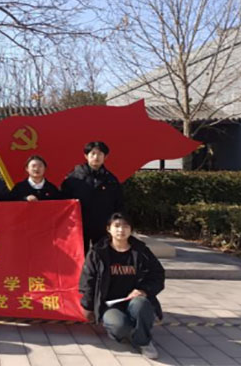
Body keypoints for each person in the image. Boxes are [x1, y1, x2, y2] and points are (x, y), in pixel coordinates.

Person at [79, 212, 164, 360]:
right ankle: (131, 330)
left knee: (142, 304)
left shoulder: (141, 251)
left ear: (131, 229)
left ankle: (144, 342)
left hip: (134, 300)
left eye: (125, 226)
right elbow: (88, 280)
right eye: (117, 226)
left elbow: (158, 274)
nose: (121, 230)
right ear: (108, 229)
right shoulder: (98, 252)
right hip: (110, 304)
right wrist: (87, 306)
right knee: (119, 327)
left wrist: (143, 290)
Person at [61, 141, 124, 253]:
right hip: (79, 224)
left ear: (105, 157)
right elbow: (64, 201)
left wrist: (117, 221)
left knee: (102, 254)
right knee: (79, 254)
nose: (96, 157)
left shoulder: (111, 180)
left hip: (102, 224)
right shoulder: (74, 178)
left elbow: (118, 203)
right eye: (93, 153)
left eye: (100, 154)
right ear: (86, 156)